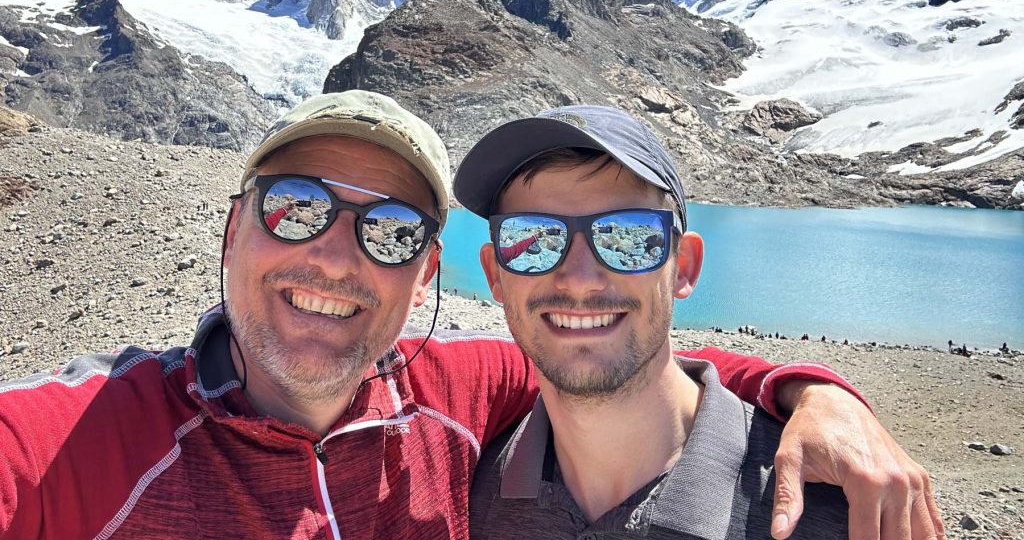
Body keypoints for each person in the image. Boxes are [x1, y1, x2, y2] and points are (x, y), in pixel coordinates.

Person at [0, 92, 941, 539]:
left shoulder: (456, 395)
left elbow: (611, 350)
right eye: (296, 207)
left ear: (428, 281)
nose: (334, 254)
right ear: (232, 230)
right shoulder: (82, 439)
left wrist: (816, 394)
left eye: (394, 231)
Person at [457, 105, 943, 540]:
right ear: (495, 276)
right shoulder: (466, 495)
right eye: (533, 237)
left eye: (627, 236)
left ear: (684, 266)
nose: (580, 280)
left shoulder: (844, 512)